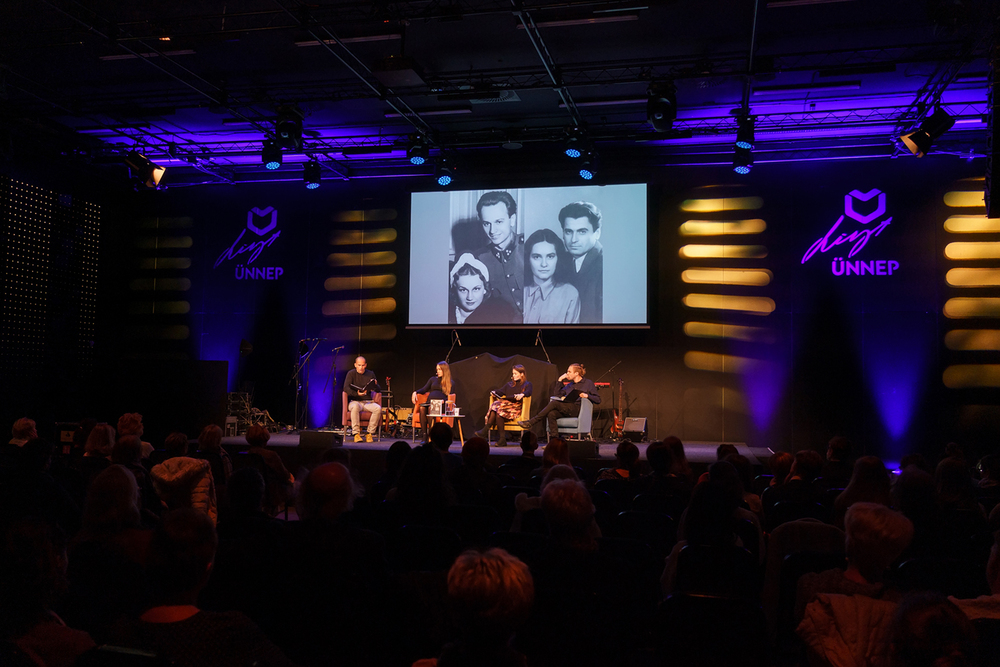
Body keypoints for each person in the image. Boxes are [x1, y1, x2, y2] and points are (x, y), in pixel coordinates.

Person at [518, 363, 601, 441]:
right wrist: (560, 380)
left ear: (576, 373)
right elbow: (557, 394)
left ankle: (532, 422)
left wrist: (587, 396)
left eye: (569, 372)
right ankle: (554, 441)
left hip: (578, 409)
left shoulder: (588, 383)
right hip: (567, 408)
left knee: (554, 403)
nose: (567, 373)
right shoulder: (569, 385)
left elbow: (598, 399)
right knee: (551, 414)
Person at [475, 190, 524, 315]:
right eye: (486, 223)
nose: (492, 231)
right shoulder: (479, 259)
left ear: (512, 220)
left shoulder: (531, 248)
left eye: (498, 222)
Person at [522, 228, 580, 324]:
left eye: (550, 256)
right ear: (528, 259)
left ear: (558, 258)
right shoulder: (520, 290)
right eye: (537, 257)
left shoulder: (570, 294)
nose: (544, 264)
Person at [559, 201, 603, 323]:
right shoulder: (560, 262)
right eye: (569, 232)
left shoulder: (608, 266)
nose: (574, 240)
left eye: (582, 232)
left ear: (597, 233)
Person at [448, 253, 520, 325]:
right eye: (463, 290)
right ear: (455, 290)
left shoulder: (497, 317)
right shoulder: (446, 313)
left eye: (476, 289)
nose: (470, 297)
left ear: (485, 289)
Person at [476, 364, 533, 447]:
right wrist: (494, 392)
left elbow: (529, 392)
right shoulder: (509, 384)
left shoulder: (527, 384)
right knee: (498, 410)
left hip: (515, 408)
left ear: (522, 374)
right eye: (513, 374)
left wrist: (522, 394)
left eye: (515, 374)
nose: (513, 376)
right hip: (504, 408)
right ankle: (502, 439)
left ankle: (486, 430)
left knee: (497, 406)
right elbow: (500, 391)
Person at [412, 361, 453, 441]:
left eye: (440, 369)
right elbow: (424, 389)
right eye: (437, 369)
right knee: (422, 408)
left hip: (441, 405)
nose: (437, 371)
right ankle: (424, 435)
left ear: (445, 370)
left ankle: (431, 435)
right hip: (430, 403)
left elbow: (451, 397)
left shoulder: (450, 382)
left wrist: (444, 401)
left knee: (431, 408)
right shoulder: (432, 379)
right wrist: (415, 392)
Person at [344, 355, 381, 443]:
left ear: (366, 365)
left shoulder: (370, 373)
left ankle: (370, 433)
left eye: (363, 365)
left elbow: (378, 389)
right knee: (355, 407)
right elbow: (346, 388)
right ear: (355, 365)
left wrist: (375, 385)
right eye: (359, 365)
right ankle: (356, 434)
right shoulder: (351, 373)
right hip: (355, 401)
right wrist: (356, 393)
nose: (361, 367)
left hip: (368, 402)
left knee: (378, 408)